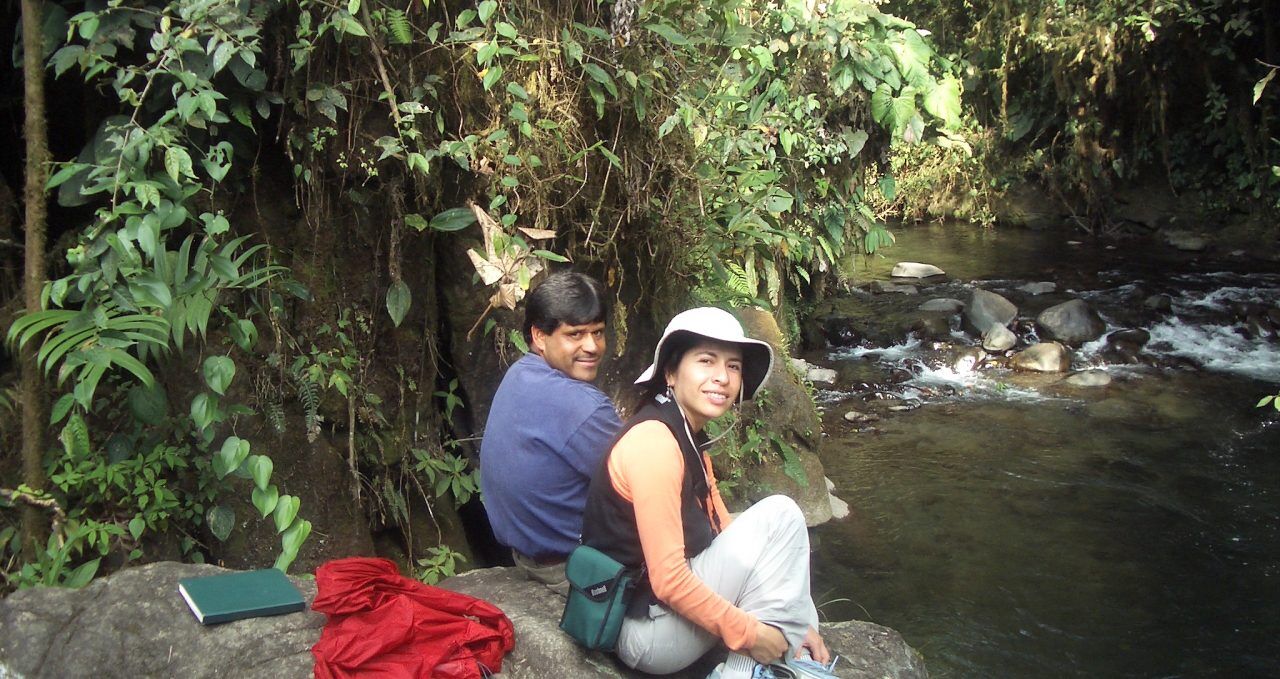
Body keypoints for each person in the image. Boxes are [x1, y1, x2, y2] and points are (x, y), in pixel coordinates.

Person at [581, 307, 830, 678]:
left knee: (788, 570)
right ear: (670, 372)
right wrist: (751, 633)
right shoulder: (655, 443)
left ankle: (769, 653)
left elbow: (722, 526)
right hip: (643, 633)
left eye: (733, 366)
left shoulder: (685, 435)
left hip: (661, 614)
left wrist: (795, 614)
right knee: (782, 514)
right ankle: (743, 671)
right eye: (706, 361)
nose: (722, 378)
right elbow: (668, 580)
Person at [480, 271, 622, 590]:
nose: (592, 346)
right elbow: (646, 481)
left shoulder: (520, 374)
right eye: (575, 334)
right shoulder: (580, 406)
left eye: (598, 332)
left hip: (527, 557)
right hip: (572, 570)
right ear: (540, 336)